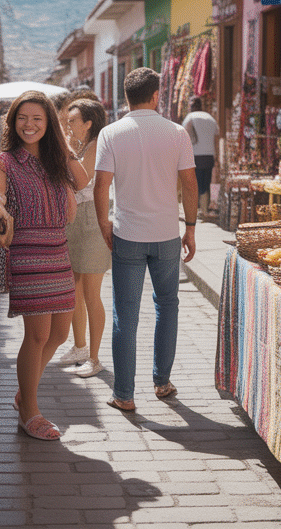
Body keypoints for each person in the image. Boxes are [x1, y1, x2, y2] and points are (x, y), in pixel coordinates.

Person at [94, 67, 198, 413]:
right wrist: (192, 227)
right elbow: (190, 184)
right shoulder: (177, 133)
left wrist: (104, 224)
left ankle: (124, 393)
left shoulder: (111, 133)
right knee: (167, 306)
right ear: (157, 95)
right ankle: (162, 382)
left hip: (127, 234)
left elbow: (101, 186)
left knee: (126, 314)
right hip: (167, 234)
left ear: (126, 97)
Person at [0, 91, 87, 440]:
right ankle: (29, 410)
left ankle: (23, 392)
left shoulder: (56, 159)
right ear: (14, 123)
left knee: (60, 333)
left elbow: (83, 179)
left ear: (49, 124)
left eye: (37, 119)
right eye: (23, 119)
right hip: (27, 251)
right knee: (38, 334)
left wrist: (62, 143)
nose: (29, 125)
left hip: (58, 250)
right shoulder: (5, 161)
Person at [56, 97, 110, 377]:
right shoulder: (78, 144)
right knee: (74, 291)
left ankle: (95, 357)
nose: (69, 124)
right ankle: (79, 346)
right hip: (73, 219)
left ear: (88, 123)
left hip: (90, 219)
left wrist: (64, 148)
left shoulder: (96, 143)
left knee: (91, 294)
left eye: (73, 121)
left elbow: (83, 181)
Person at [181, 97, 220, 219]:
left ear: (192, 107)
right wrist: (217, 155)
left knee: (195, 182)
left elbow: (184, 137)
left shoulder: (190, 118)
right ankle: (204, 208)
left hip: (195, 156)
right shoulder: (210, 118)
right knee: (206, 182)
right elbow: (216, 138)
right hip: (209, 156)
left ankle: (197, 209)